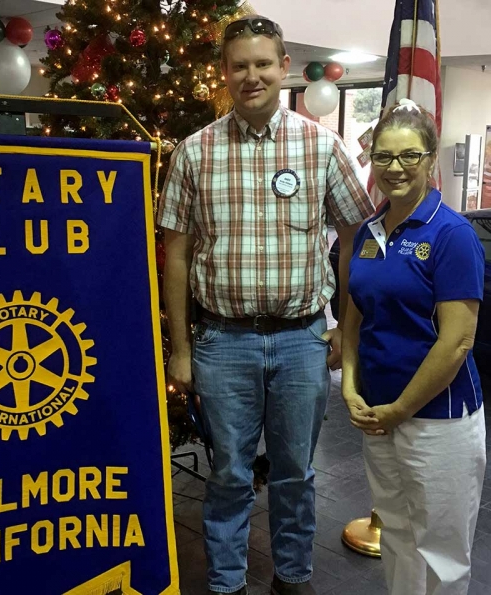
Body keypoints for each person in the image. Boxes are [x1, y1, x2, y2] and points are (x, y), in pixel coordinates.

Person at [157, 16, 374, 595]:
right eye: (239, 65)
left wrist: (342, 331)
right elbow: (174, 255)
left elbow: (354, 237)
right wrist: (181, 348)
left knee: (296, 474)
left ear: (284, 68)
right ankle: (227, 582)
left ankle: (293, 575)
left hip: (303, 340)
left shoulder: (321, 146)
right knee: (228, 474)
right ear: (224, 73)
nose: (251, 76)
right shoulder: (193, 152)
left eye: (262, 64)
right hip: (222, 343)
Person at [342, 99, 487, 595]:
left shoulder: (452, 235)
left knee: (443, 552)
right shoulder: (367, 233)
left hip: (436, 419)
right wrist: (348, 386)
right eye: (383, 156)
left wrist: (400, 410)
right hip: (378, 414)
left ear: (429, 160)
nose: (395, 168)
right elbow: (353, 317)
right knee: (400, 535)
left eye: (409, 156)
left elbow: (457, 341)